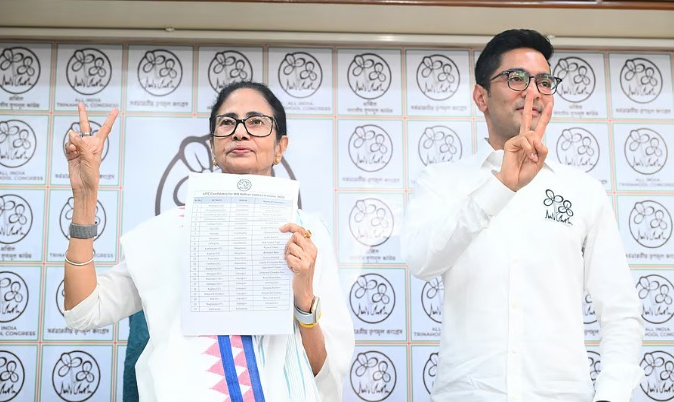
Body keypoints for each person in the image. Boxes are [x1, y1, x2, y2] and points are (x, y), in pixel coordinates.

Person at [62, 81, 355, 402]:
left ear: (280, 147)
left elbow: (325, 376)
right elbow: (84, 310)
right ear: (213, 145)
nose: (240, 132)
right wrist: (85, 197)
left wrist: (304, 300)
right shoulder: (165, 234)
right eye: (227, 122)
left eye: (257, 122)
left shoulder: (309, 237)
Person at [402, 29, 644, 402]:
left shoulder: (582, 191)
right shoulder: (441, 181)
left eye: (544, 82)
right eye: (516, 78)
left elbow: (620, 311)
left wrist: (611, 395)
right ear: (481, 96)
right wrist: (500, 186)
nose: (533, 92)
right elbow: (421, 261)